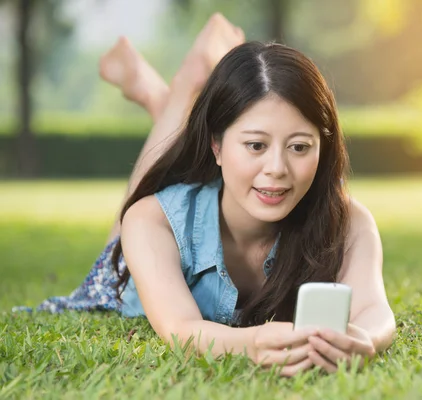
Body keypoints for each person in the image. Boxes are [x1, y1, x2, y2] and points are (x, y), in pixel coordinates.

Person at [15, 13, 396, 377]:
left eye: (299, 147)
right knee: (137, 212)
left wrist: (364, 340)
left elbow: (374, 310)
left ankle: (160, 93)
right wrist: (253, 342)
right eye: (256, 146)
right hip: (126, 275)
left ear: (323, 148)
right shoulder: (155, 220)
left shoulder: (350, 222)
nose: (277, 168)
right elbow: (181, 328)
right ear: (216, 146)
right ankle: (179, 86)